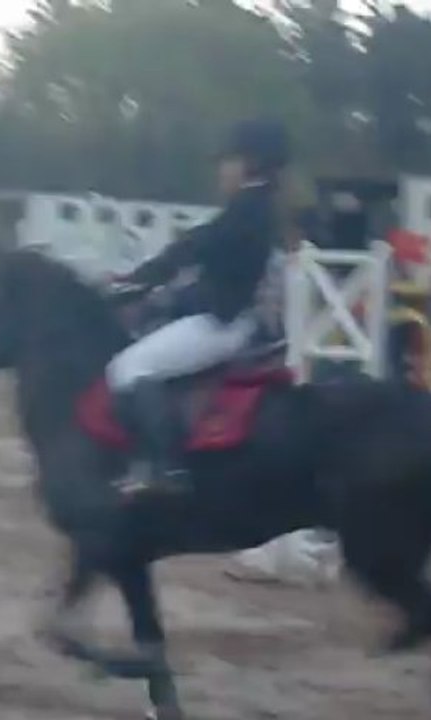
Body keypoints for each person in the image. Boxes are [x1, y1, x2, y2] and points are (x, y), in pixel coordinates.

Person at [108, 118, 290, 493]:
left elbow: (194, 246)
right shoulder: (251, 207)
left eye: (228, 160)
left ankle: (166, 468)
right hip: (227, 317)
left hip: (221, 322)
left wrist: (140, 281)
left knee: (126, 368)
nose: (221, 170)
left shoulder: (248, 210)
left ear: (252, 163)